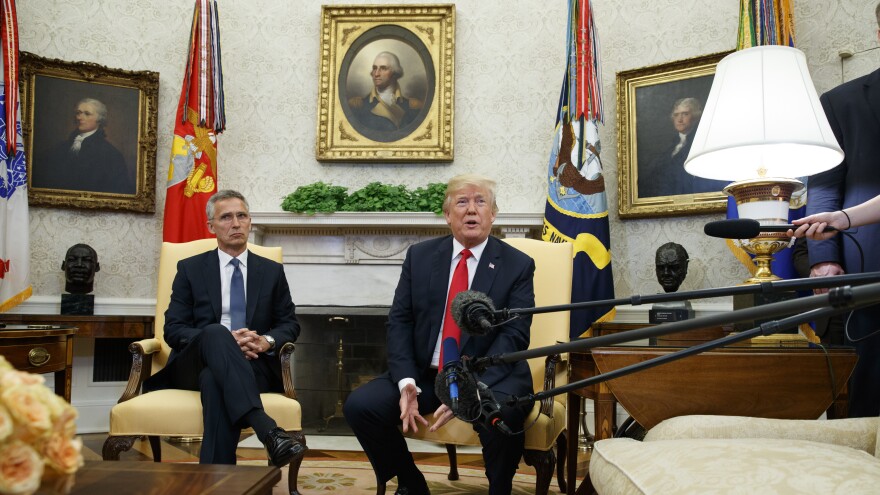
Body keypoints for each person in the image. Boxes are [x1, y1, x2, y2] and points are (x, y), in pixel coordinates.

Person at [343, 174, 535, 495]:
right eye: (462, 202)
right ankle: (411, 482)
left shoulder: (516, 264)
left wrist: (470, 386)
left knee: (500, 417)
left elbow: (514, 334)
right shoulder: (420, 257)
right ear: (447, 215)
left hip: (492, 376)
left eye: (480, 201)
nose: (471, 209)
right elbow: (400, 321)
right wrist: (406, 381)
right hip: (428, 375)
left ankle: (498, 489)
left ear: (493, 213)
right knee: (361, 406)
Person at [143, 190, 306, 466]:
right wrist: (222, 341)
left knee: (214, 380)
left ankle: (216, 481)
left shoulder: (271, 271)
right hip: (192, 364)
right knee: (217, 332)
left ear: (250, 222)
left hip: (253, 364)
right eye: (226, 217)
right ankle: (267, 429)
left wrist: (266, 341)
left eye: (241, 216)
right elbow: (173, 328)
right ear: (211, 226)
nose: (236, 223)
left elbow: (289, 323)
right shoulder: (190, 269)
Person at [797, 2, 880, 418]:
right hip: (866, 275)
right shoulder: (843, 102)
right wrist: (824, 260)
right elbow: (825, 186)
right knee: (864, 397)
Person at [33, 98, 133, 194]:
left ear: (99, 119)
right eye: (78, 113)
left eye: (87, 114)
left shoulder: (111, 154)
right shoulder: (61, 147)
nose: (79, 117)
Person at [638, 97, 727, 198]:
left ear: (695, 117)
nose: (680, 119)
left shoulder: (701, 143)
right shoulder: (671, 145)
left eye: (685, 114)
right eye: (676, 115)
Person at [348, 51, 423, 134]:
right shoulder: (357, 105)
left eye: (383, 68)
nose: (376, 74)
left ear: (394, 73)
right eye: (374, 68)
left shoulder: (414, 106)